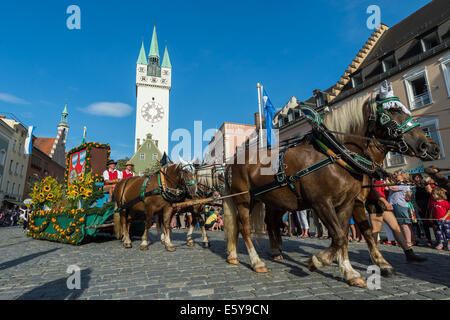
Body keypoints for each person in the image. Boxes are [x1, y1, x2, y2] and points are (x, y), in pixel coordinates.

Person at [366, 176, 426, 262]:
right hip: (374, 202)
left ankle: (409, 253)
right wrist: (386, 202)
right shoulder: (371, 174)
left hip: (382, 202)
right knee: (375, 229)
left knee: (396, 227)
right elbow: (372, 190)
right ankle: (373, 254)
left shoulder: (381, 175)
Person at [388, 171, 415, 248]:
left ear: (403, 176)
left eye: (398, 175)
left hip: (400, 205)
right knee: (401, 224)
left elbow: (391, 187)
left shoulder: (404, 184)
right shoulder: (398, 183)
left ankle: (409, 242)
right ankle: (408, 240)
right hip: (395, 205)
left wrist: (386, 179)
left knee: (405, 224)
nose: (396, 175)